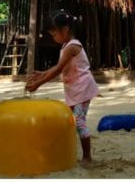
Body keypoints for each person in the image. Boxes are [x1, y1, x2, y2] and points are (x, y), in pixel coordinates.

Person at [25, 11, 99, 163]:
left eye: (54, 34)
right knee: (70, 120)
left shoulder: (72, 46)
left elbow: (58, 69)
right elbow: (58, 67)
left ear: (65, 30)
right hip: (74, 90)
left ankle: (87, 157)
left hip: (83, 89)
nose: (53, 38)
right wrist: (42, 73)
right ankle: (67, 150)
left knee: (79, 121)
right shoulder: (66, 46)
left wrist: (39, 83)